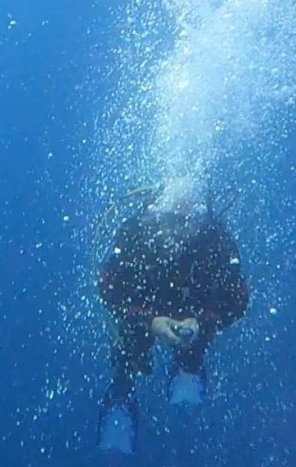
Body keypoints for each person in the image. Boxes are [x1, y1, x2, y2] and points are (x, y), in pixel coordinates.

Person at [96, 185, 250, 453]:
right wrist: (150, 321)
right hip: (142, 312)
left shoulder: (215, 236)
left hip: (193, 315)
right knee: (128, 352)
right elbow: (109, 290)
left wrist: (201, 321)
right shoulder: (136, 231)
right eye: (171, 220)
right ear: (156, 211)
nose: (179, 231)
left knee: (194, 344)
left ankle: (188, 368)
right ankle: (121, 396)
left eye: (189, 220)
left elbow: (238, 299)